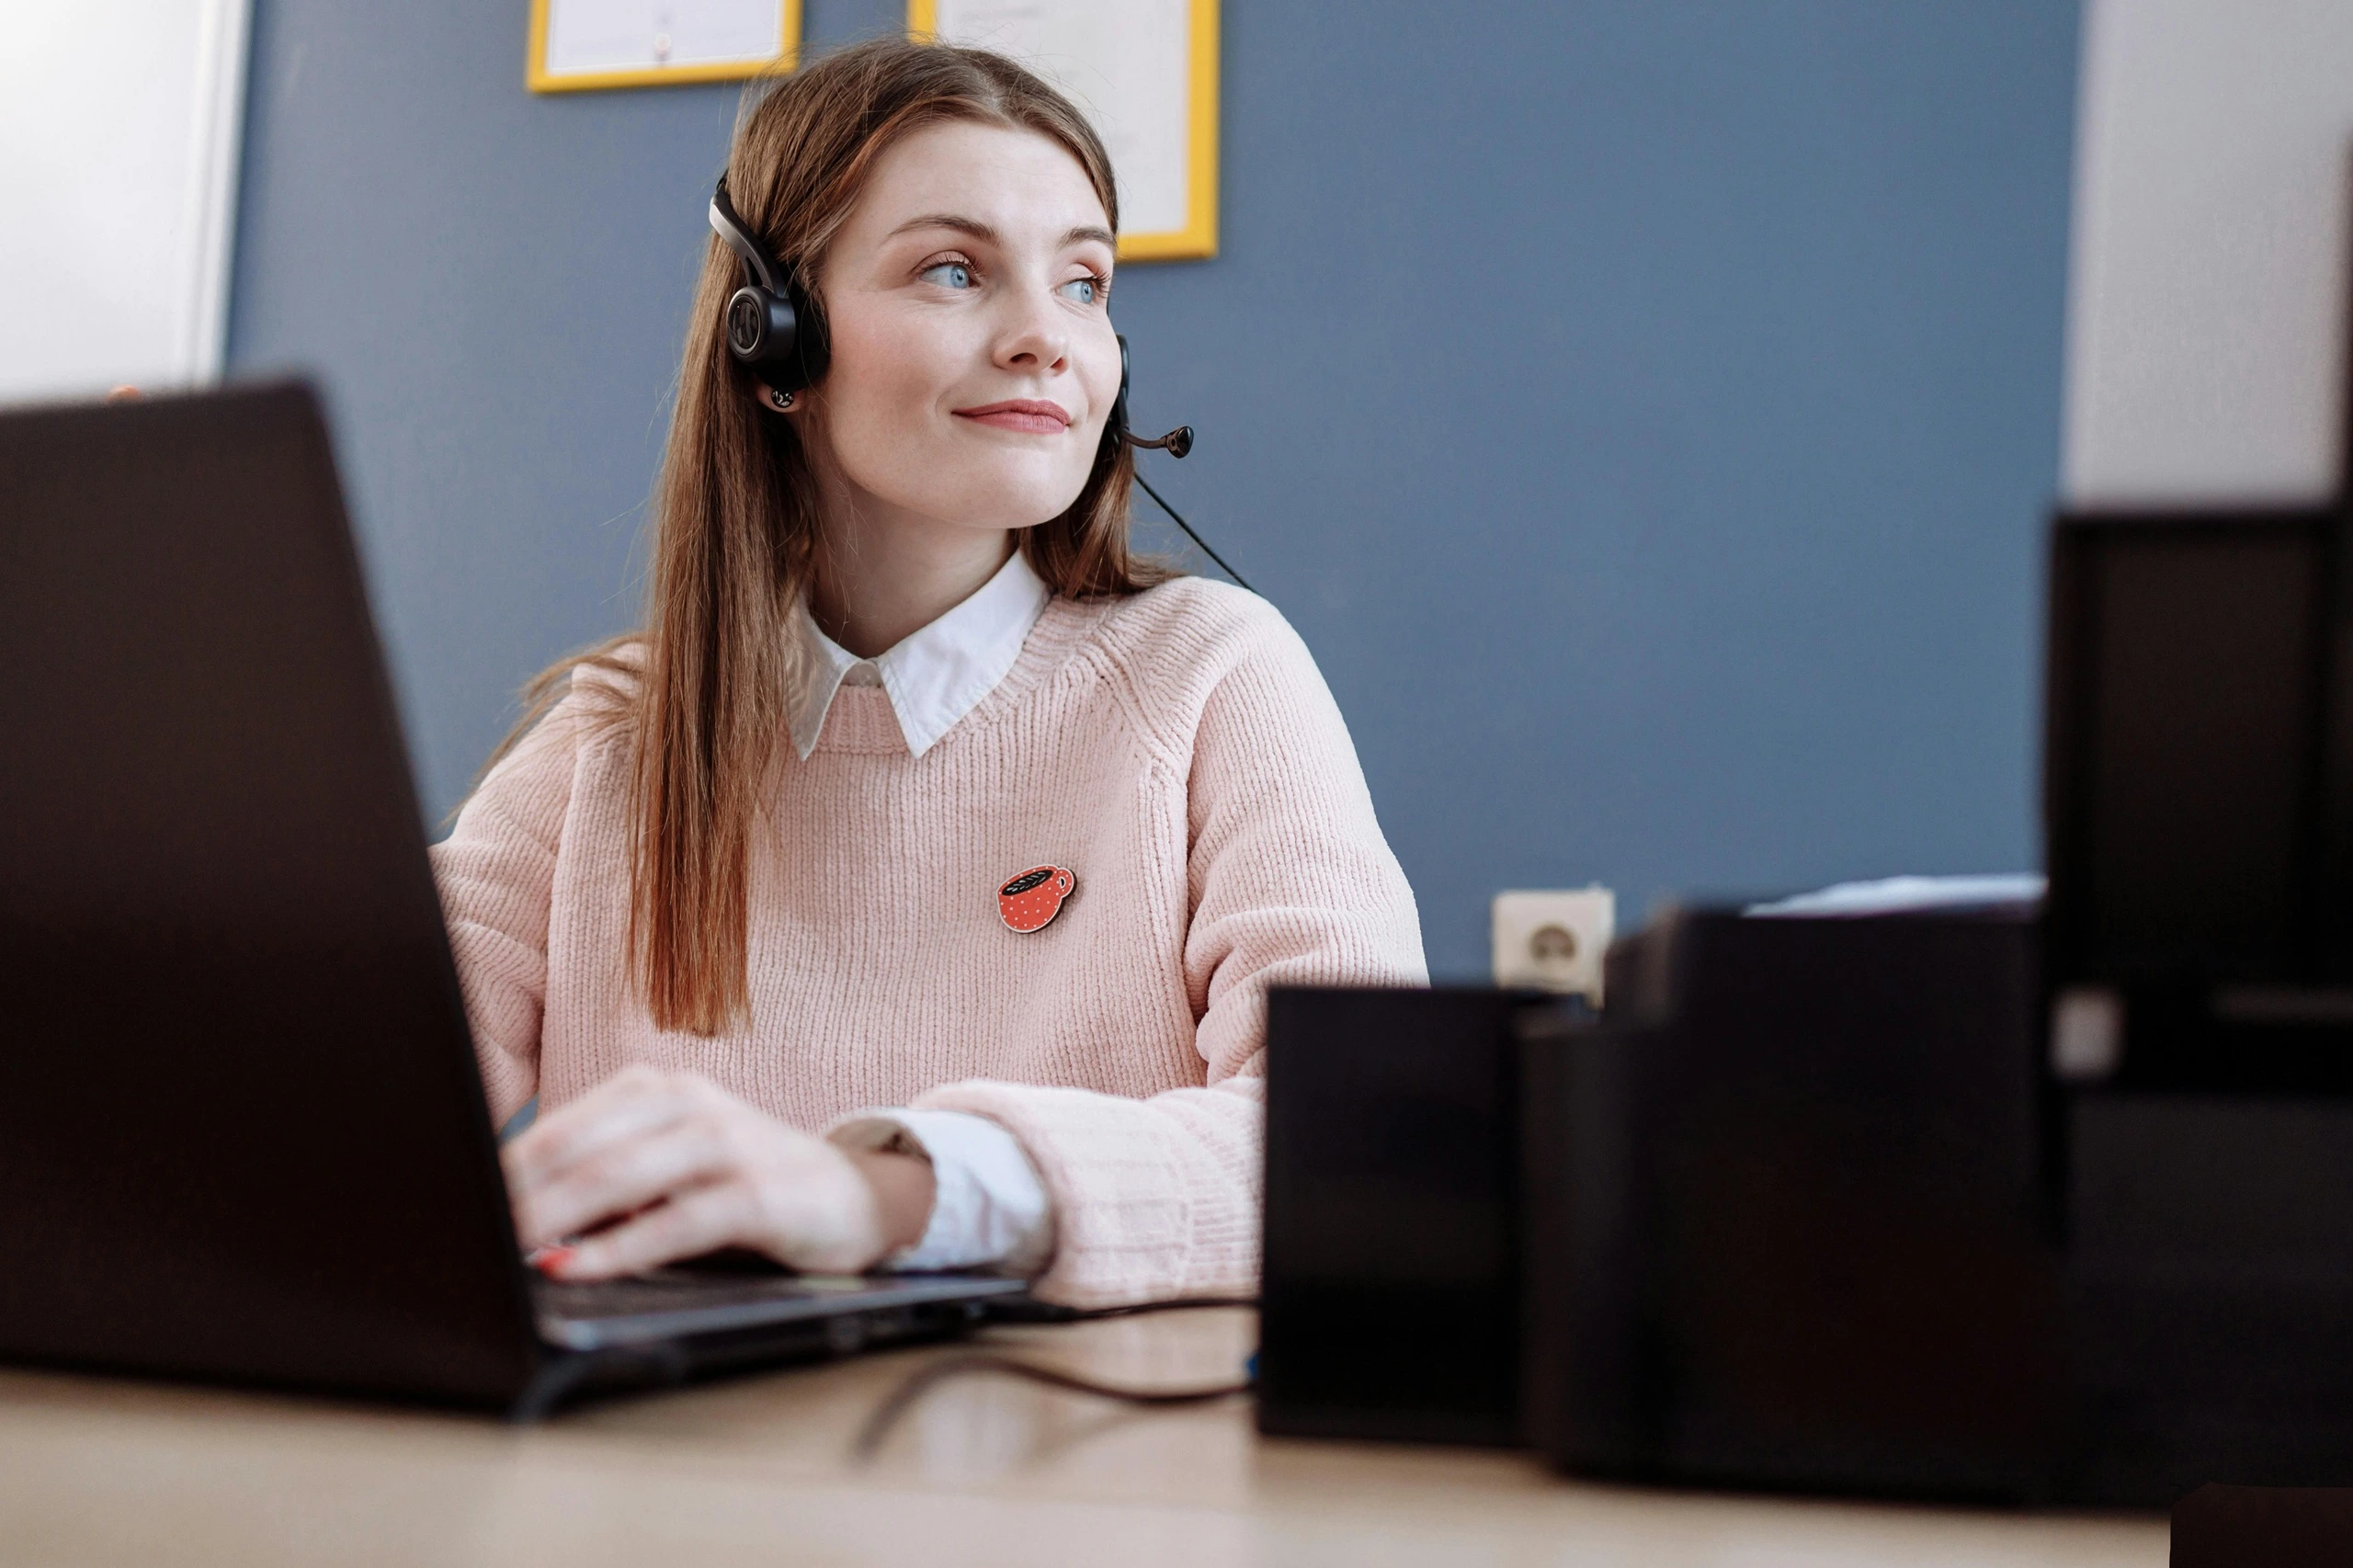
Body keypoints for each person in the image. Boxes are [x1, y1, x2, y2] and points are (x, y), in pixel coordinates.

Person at [432, 38, 1425, 1308]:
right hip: (661, 1475)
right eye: (955, 270)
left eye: (1083, 282)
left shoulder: (1217, 677)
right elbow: (339, 1094)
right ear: (774, 338)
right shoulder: (614, 740)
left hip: (1092, 1486)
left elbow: (1368, 1141)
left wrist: (885, 1193)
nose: (1043, 339)